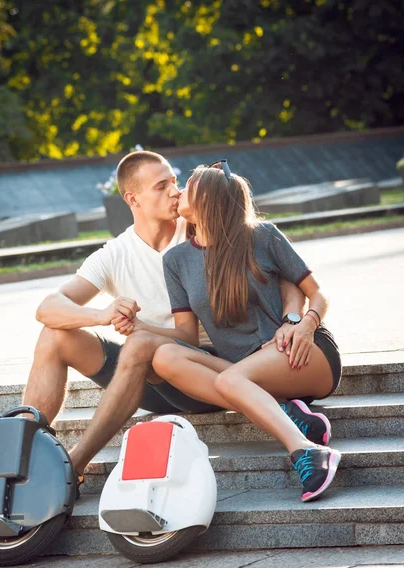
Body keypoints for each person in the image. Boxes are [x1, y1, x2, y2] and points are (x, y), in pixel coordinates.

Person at [23, 151, 312, 497]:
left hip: (209, 371)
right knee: (55, 336)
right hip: (151, 376)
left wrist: (293, 319)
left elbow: (280, 268)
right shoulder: (115, 254)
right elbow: (48, 307)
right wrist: (103, 315)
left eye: (175, 182)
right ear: (134, 199)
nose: (175, 191)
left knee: (143, 345)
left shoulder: (200, 226)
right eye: (161, 186)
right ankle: (23, 453)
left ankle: (73, 466)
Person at [147, 161, 342, 502]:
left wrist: (304, 324)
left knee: (229, 381)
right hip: (242, 371)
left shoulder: (261, 235)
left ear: (207, 196)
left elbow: (319, 294)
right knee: (165, 357)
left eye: (187, 184)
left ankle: (306, 450)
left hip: (299, 353)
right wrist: (137, 331)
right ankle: (286, 412)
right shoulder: (176, 261)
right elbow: (187, 337)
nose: (177, 192)